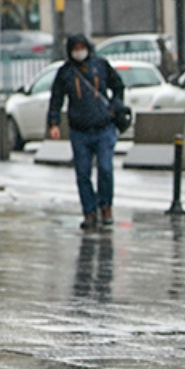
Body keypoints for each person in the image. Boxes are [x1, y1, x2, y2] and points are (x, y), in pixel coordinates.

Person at [47, 34, 125, 230]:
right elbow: (56, 99)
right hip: (79, 131)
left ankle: (106, 206)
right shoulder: (66, 72)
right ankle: (89, 211)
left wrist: (116, 105)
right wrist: (54, 123)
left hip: (103, 127)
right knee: (83, 173)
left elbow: (118, 86)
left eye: (82, 47)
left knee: (106, 169)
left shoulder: (101, 65)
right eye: (76, 48)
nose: (79, 51)